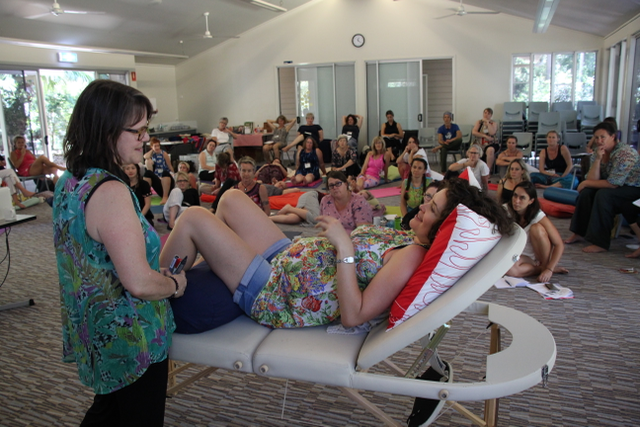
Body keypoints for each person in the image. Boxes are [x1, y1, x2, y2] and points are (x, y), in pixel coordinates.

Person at [160, 177, 513, 329]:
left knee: (193, 216)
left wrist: (344, 247)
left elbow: (354, 315)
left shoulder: (410, 260)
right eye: (429, 201)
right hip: (290, 256)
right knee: (231, 198)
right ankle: (205, 261)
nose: (421, 207)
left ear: (442, 228)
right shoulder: (409, 237)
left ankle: (157, 284)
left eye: (432, 210)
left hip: (280, 292)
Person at [53, 80, 185, 425]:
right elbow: (139, 283)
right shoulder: (109, 191)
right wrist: (175, 284)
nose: (145, 138)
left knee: (108, 412)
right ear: (107, 130)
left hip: (97, 328)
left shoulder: (69, 180)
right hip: (130, 339)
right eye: (138, 131)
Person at [565, 122, 640, 253]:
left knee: (604, 195)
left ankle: (601, 242)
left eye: (602, 137)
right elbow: (592, 179)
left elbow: (613, 183)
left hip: (633, 188)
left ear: (612, 136)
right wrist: (598, 159)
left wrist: (585, 183)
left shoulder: (625, 153)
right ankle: (579, 233)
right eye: (596, 137)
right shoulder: (598, 152)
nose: (599, 141)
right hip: (614, 186)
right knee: (587, 193)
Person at [505, 181, 568, 282]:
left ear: (531, 201)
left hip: (536, 255)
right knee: (511, 271)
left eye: (522, 198)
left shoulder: (538, 215)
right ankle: (541, 269)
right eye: (515, 196)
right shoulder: (506, 210)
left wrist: (549, 269)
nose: (516, 201)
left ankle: (545, 266)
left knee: (537, 228)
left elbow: (559, 244)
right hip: (521, 255)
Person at [143, 137, 174, 204]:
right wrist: (152, 150)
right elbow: (145, 156)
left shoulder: (164, 153)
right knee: (147, 165)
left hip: (164, 173)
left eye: (158, 146)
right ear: (151, 147)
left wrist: (173, 173)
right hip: (156, 174)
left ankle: (165, 197)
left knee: (165, 173)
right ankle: (147, 196)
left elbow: (169, 165)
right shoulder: (152, 154)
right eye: (155, 146)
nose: (157, 147)